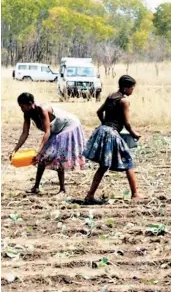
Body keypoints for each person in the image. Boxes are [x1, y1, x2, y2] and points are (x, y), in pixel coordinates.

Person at [82, 75, 142, 204]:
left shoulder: (111, 97)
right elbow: (127, 123)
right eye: (132, 88)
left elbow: (99, 112)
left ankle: (90, 195)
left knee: (103, 165)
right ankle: (135, 194)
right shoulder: (124, 101)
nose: (133, 91)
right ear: (126, 88)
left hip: (102, 130)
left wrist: (105, 124)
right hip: (111, 133)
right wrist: (134, 134)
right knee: (128, 161)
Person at [11, 92, 86, 194]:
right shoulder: (27, 113)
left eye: (23, 106)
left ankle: (62, 189)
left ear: (30, 104)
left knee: (58, 157)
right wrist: (15, 150)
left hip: (69, 126)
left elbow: (47, 132)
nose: (21, 109)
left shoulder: (42, 109)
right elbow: (25, 133)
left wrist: (38, 152)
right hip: (56, 129)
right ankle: (36, 187)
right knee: (42, 157)